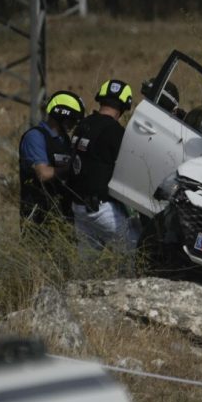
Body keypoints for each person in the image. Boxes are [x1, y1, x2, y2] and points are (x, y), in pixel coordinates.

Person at [69, 80, 139, 265]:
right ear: (124, 107)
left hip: (78, 207)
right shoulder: (115, 132)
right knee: (135, 250)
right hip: (101, 210)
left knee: (87, 265)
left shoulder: (83, 124)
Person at [18, 90, 85, 233]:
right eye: (72, 120)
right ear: (62, 116)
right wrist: (72, 168)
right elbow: (43, 173)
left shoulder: (65, 140)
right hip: (38, 217)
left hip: (62, 215)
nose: (74, 124)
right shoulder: (35, 137)